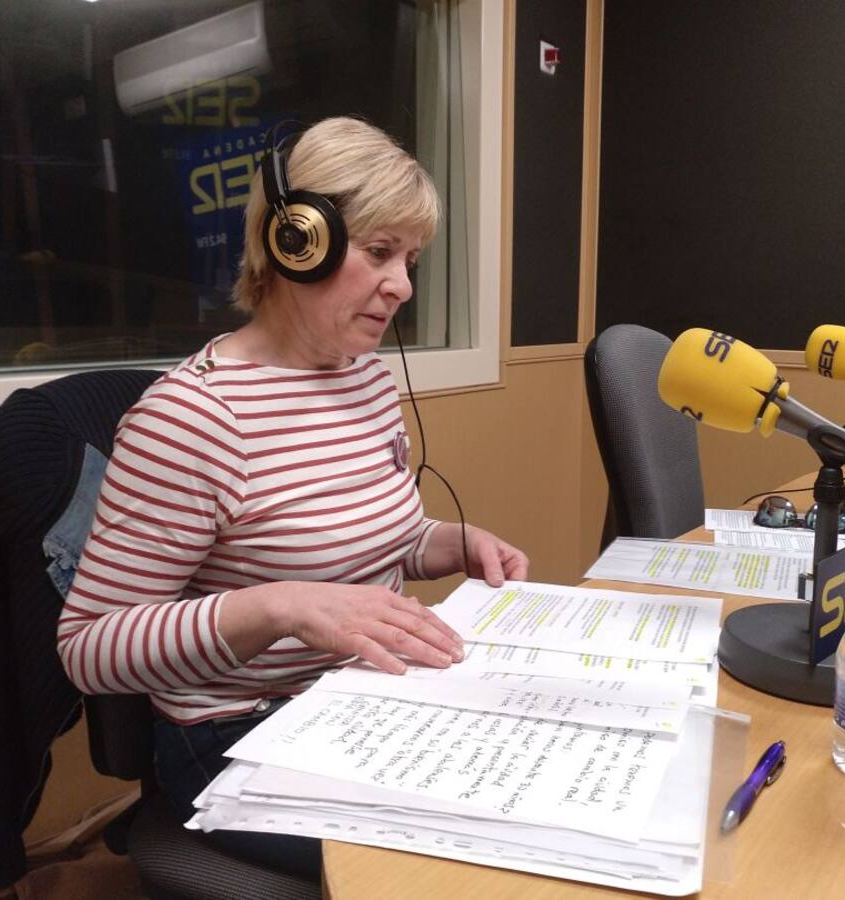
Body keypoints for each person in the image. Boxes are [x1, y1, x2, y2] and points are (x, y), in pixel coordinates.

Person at [56, 116, 528, 879]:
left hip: (366, 698)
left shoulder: (366, 379)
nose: (403, 286)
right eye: (381, 252)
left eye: (410, 260)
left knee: (526, 799)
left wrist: (452, 543)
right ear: (297, 241)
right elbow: (89, 648)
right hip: (237, 733)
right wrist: (279, 606)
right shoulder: (192, 418)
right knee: (463, 863)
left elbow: (381, 540)